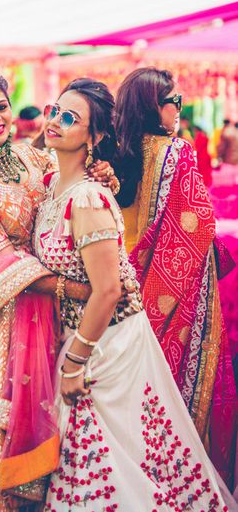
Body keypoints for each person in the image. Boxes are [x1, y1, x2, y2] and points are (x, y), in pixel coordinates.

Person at [33, 78, 232, 512]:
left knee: (108, 470)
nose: (55, 122)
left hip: (107, 343)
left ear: (96, 135)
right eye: (54, 110)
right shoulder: (50, 187)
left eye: (70, 118)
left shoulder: (86, 198)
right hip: (76, 336)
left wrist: (74, 361)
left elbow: (108, 290)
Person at [0, 64, 117, 511]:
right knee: (1, 422)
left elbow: (74, 192)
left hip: (51, 314)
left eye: (0, 107)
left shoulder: (35, 157)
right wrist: (70, 288)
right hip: (2, 318)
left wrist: (102, 174)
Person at [115, 67, 236, 491]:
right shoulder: (177, 152)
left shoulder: (112, 155)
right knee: (180, 405)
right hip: (175, 301)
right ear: (155, 107)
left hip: (119, 299)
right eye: (175, 102)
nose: (179, 110)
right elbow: (199, 225)